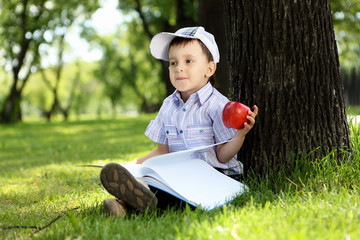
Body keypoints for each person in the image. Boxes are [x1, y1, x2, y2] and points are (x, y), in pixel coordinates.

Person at [100, 26, 258, 217]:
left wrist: (240, 134)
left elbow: (223, 156)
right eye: (173, 62)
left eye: (188, 61)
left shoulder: (218, 105)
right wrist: (132, 165)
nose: (179, 67)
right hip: (180, 176)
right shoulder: (168, 105)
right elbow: (162, 151)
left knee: (180, 195)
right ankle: (128, 204)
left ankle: (133, 205)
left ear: (209, 68)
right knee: (158, 182)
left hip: (214, 176)